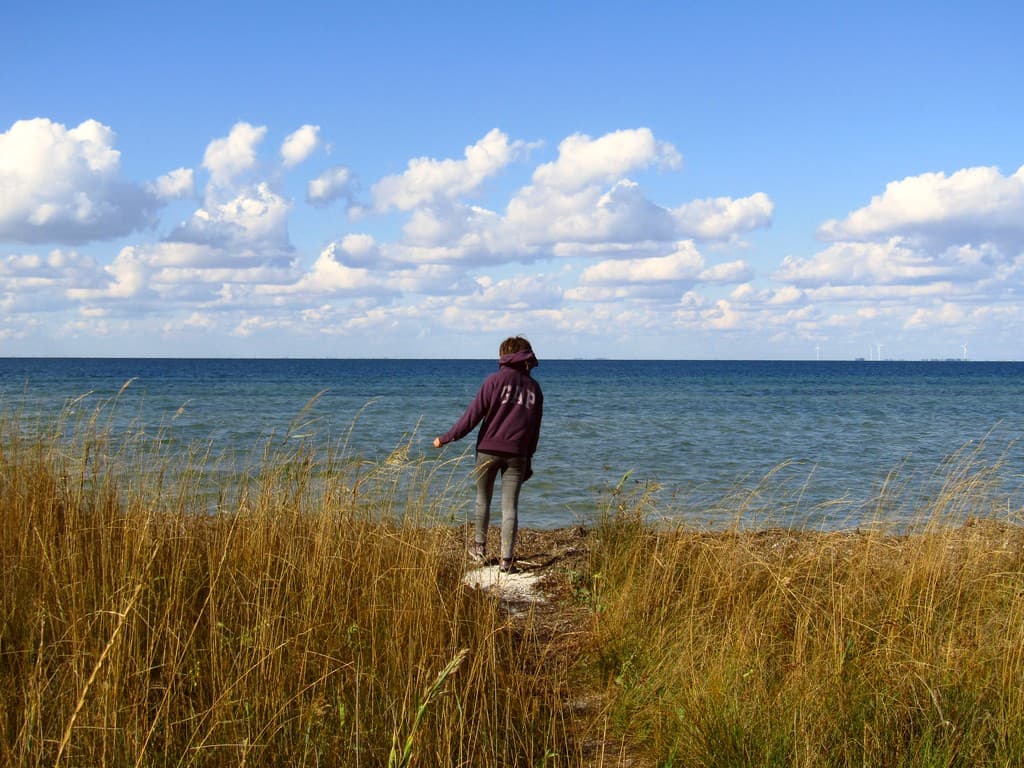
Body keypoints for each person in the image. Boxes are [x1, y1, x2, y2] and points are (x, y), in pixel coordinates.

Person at [433, 336, 543, 572]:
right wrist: (529, 458)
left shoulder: (493, 381)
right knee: (510, 507)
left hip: (487, 451)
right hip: (518, 455)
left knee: (483, 500)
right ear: (526, 358)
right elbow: (534, 430)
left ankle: (479, 549)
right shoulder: (534, 389)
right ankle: (506, 560)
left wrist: (446, 438)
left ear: (503, 356)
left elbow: (471, 417)